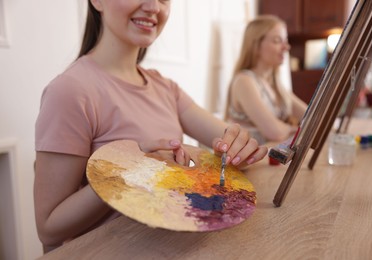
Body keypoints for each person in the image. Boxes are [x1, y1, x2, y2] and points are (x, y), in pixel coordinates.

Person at [34, 0, 268, 252]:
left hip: (169, 246)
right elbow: (48, 228)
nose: (154, 6)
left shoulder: (165, 88)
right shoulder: (70, 91)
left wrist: (238, 147)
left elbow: (229, 144)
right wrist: (127, 168)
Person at [225, 15, 308, 145]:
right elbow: (274, 132)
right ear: (256, 46)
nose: (286, 47)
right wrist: (297, 130)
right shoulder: (244, 81)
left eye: (285, 41)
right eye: (277, 41)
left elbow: (311, 117)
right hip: (245, 163)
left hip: (266, 160)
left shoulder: (276, 85)